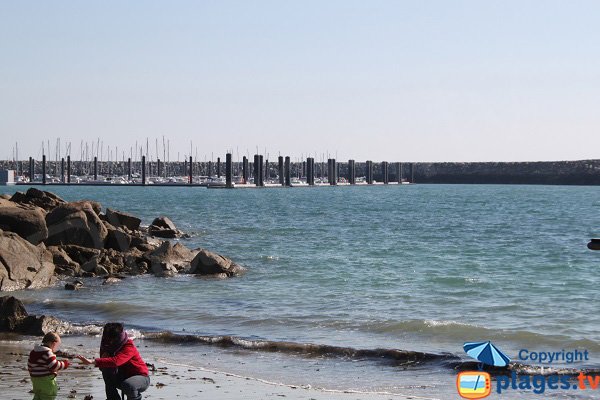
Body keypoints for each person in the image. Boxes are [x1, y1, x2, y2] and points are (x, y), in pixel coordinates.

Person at [77, 322, 150, 400]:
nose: (109, 342)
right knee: (106, 371)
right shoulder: (106, 344)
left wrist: (92, 361)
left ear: (117, 338)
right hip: (122, 377)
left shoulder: (128, 346)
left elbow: (116, 361)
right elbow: (103, 366)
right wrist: (103, 359)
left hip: (141, 378)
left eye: (111, 340)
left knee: (128, 385)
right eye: (107, 339)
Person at [28, 332, 71, 400]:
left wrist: (35, 374)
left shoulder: (33, 352)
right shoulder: (48, 352)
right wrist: (65, 364)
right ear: (53, 344)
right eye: (57, 345)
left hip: (35, 381)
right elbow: (54, 365)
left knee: (37, 397)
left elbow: (30, 366)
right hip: (47, 382)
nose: (57, 348)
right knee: (48, 396)